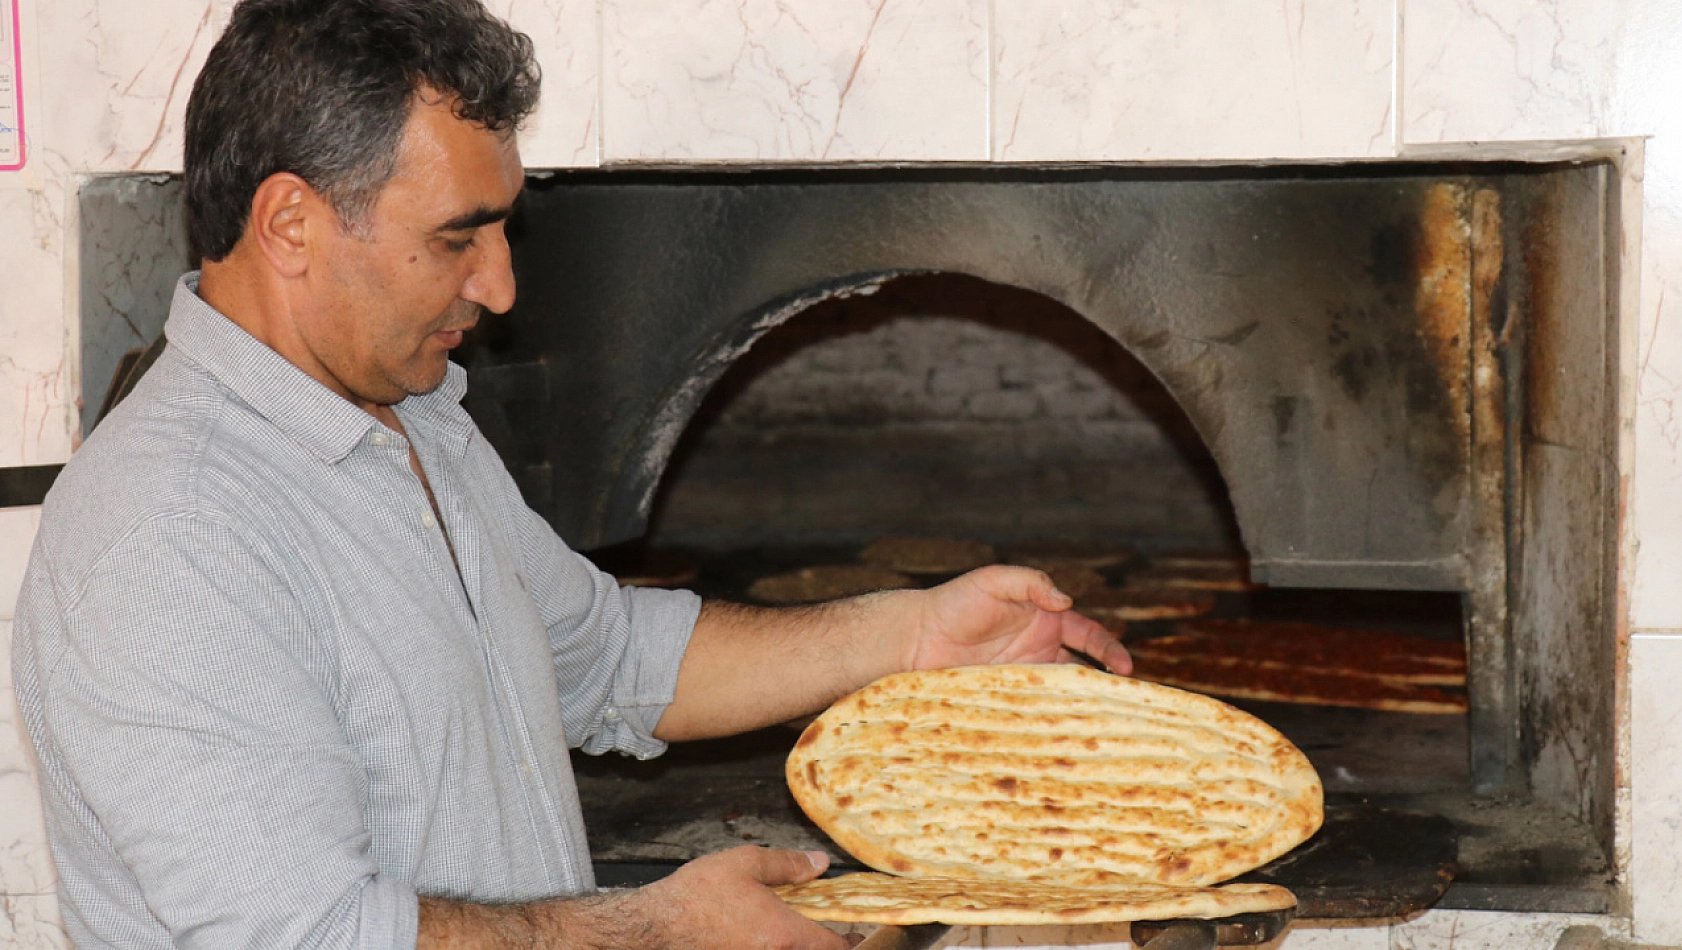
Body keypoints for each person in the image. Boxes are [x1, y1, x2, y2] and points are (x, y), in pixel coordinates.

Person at [10, 0, 1130, 948]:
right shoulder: (169, 533)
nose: (499, 286)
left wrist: (906, 634)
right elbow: (309, 934)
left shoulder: (415, 422)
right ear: (291, 223)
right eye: (459, 237)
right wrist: (659, 925)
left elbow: (603, 656)